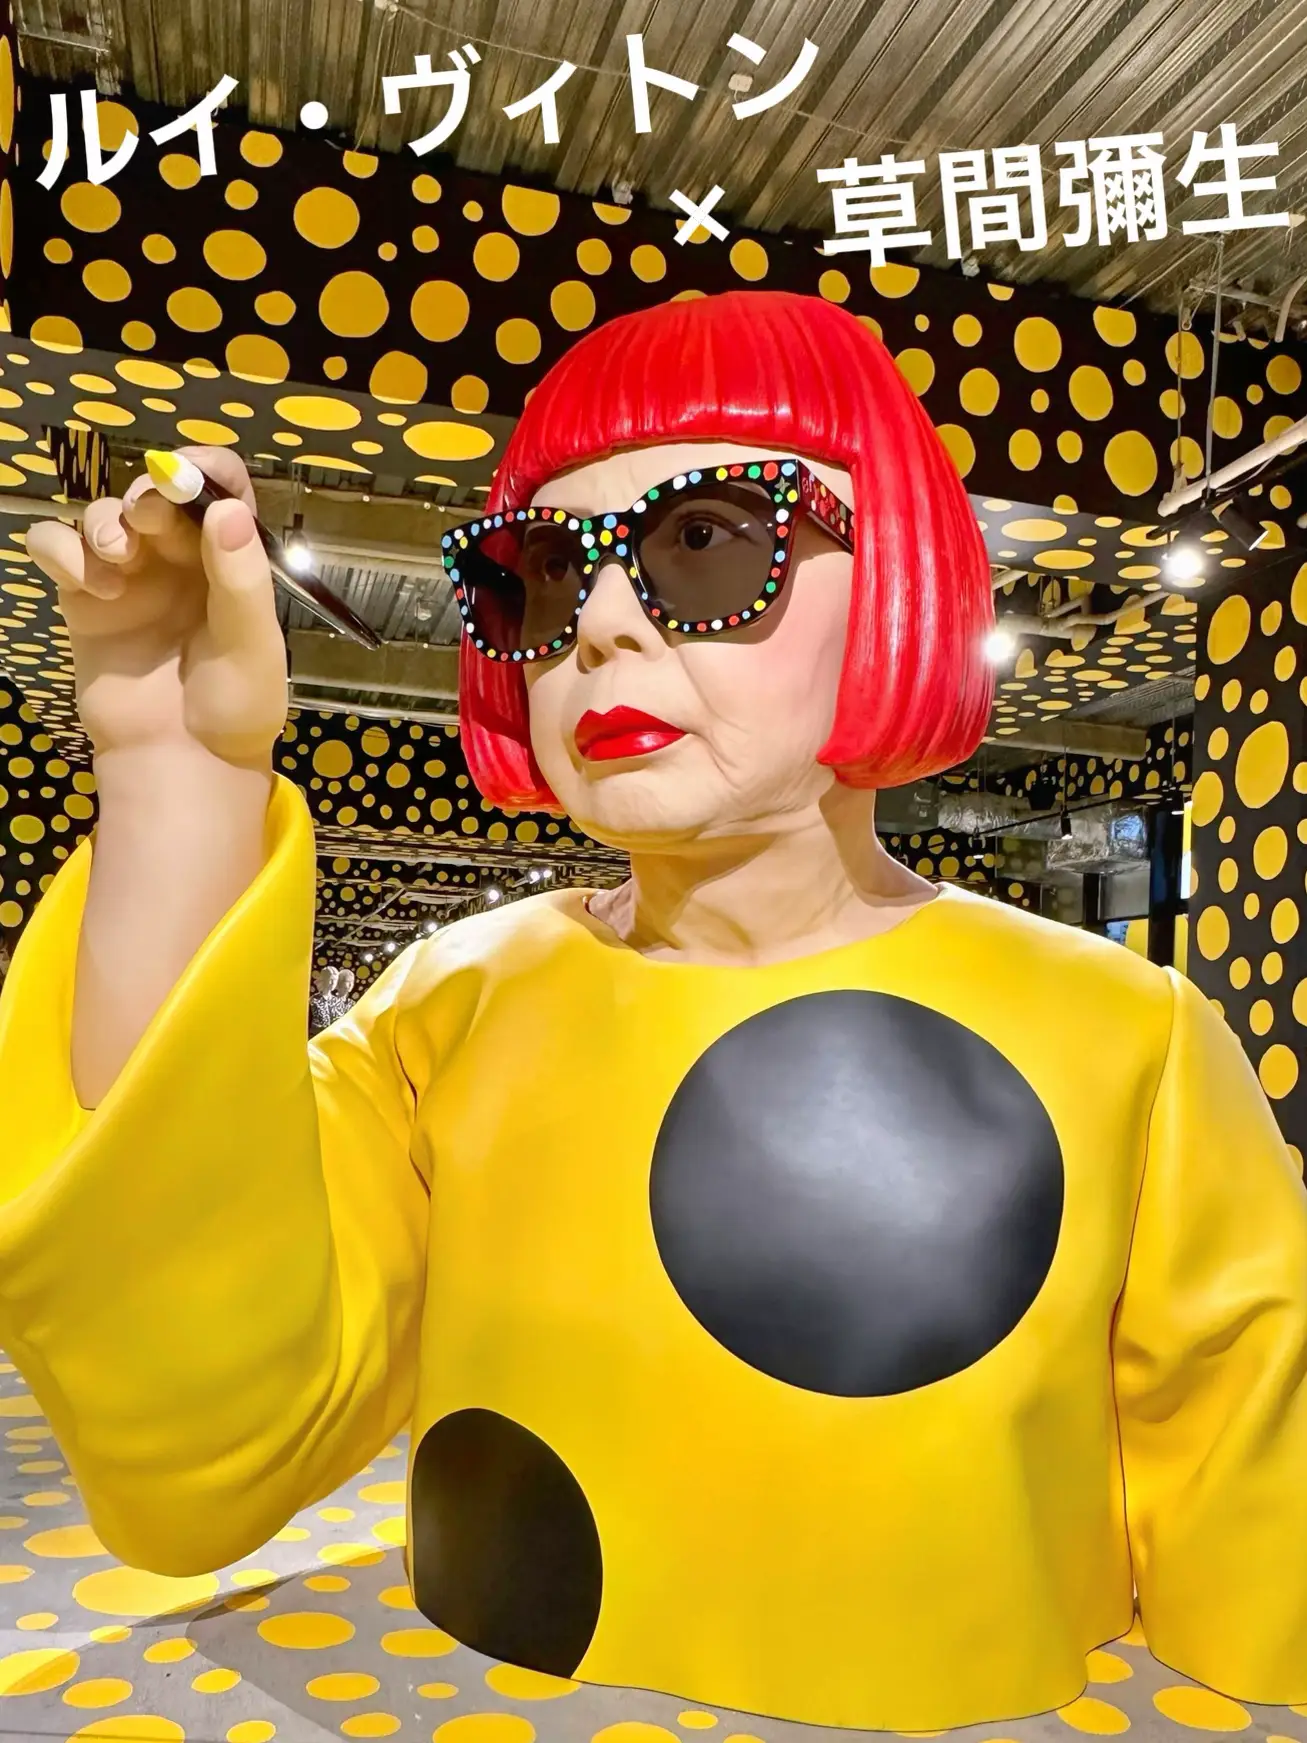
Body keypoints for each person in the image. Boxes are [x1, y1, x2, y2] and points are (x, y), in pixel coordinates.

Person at [0, 290, 1304, 1733]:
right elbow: (207, 1398)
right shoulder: (457, 1002)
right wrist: (179, 778)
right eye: (541, 576)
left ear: (903, 583)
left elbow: (1259, 1553)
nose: (601, 629)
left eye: (708, 541)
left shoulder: (1123, 1033)